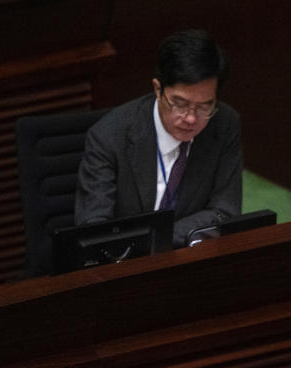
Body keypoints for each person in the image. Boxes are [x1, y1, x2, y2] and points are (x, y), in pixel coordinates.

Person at [74, 29, 242, 248]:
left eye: (204, 106)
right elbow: (93, 227)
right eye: (179, 104)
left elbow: (225, 211)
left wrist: (155, 238)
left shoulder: (225, 123)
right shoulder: (108, 137)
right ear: (157, 89)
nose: (191, 118)